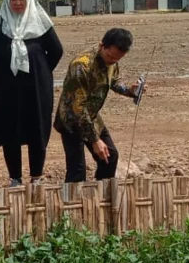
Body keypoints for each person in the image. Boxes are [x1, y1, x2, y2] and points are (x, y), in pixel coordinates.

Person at [0, 0, 64, 186]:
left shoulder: (40, 21)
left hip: (36, 88)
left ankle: (36, 175)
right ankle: (15, 177)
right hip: (6, 89)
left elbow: (56, 50)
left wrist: (42, 71)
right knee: (10, 129)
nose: (17, 3)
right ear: (7, 0)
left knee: (36, 128)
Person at [54, 27, 142, 183]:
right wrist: (95, 140)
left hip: (91, 116)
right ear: (102, 46)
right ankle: (71, 206)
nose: (112, 62)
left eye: (116, 59)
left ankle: (100, 196)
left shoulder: (112, 61)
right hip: (71, 119)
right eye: (110, 57)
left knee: (110, 156)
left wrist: (129, 91)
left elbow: (113, 80)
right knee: (77, 169)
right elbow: (78, 109)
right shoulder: (81, 66)